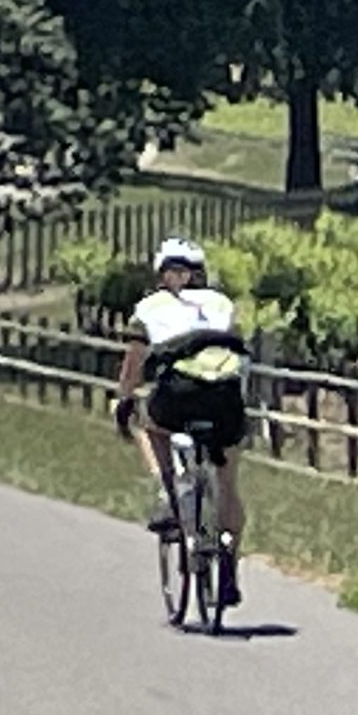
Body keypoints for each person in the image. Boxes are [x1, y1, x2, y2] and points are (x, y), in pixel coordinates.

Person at [114, 238, 251, 607]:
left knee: (147, 422)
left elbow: (133, 364)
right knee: (228, 482)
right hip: (225, 396)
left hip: (178, 394)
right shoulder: (223, 305)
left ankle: (165, 489)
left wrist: (124, 400)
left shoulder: (148, 308)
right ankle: (229, 565)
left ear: (161, 273)